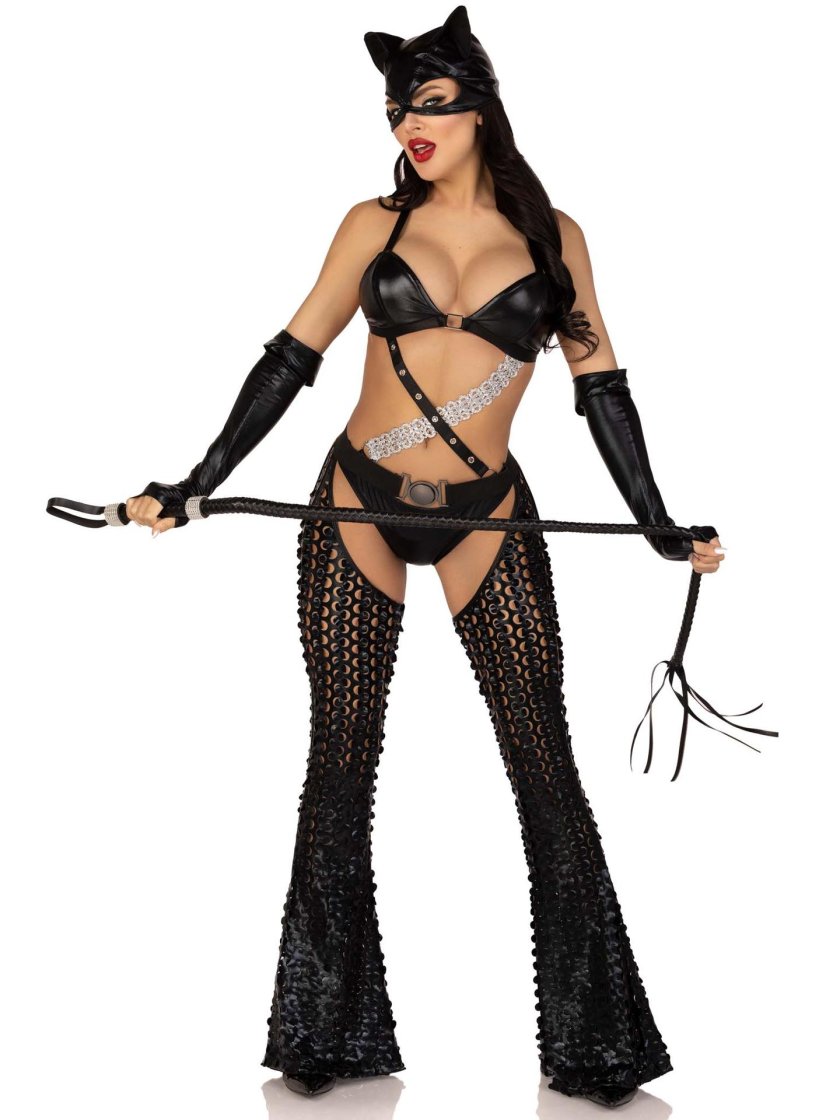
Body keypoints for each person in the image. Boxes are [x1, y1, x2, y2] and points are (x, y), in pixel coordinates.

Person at [125, 5, 723, 1109]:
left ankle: (597, 1045)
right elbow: (291, 356)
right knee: (341, 758)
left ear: (481, 108)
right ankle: (326, 1033)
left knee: (543, 762)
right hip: (356, 496)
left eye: (431, 103)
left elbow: (601, 385)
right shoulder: (371, 225)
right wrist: (194, 480)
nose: (410, 122)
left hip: (489, 513)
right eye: (398, 106)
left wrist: (656, 520)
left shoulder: (555, 238)